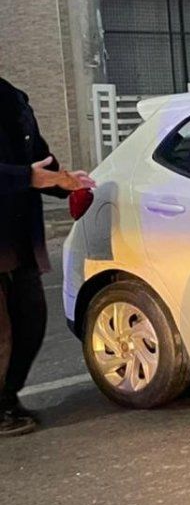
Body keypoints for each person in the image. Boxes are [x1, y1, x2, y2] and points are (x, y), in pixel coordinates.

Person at [0, 78, 94, 436]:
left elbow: (39, 158)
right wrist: (28, 178)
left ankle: (7, 397)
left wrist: (63, 180)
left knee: (31, 321)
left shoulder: (13, 97)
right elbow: (30, 173)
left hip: (18, 235)